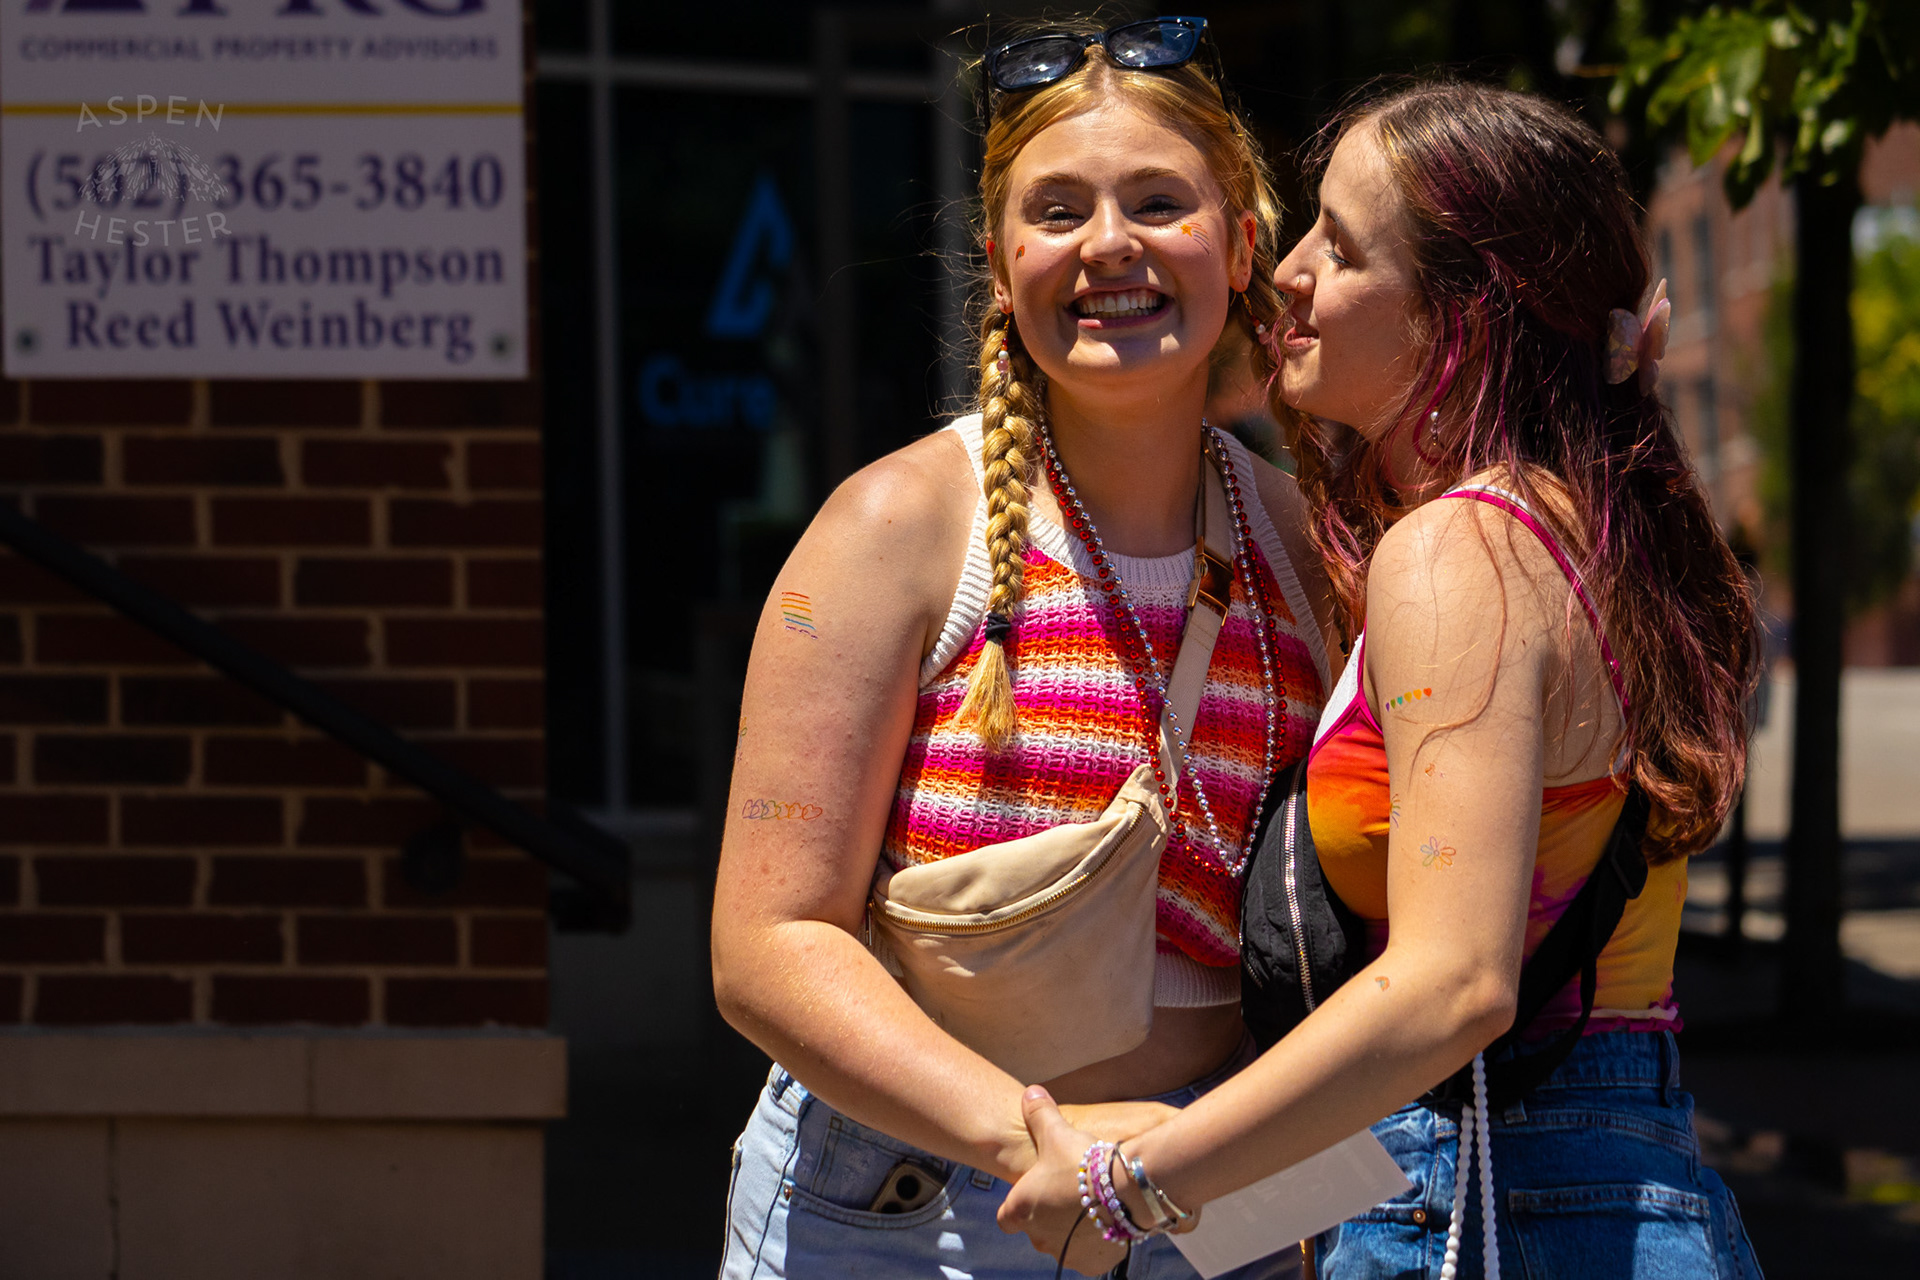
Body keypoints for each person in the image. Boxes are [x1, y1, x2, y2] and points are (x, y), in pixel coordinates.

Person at [1001, 81, 1766, 1280]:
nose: (1288, 274)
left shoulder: (1458, 552)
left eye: (1342, 247)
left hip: (1511, 1193)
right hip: (1580, 1173)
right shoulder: (1568, 529)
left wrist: (1133, 1183)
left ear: (1467, 313)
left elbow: (1453, 986)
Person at [709, 16, 1335, 1279]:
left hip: (1212, 1208)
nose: (1109, 245)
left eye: (1158, 202)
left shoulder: (1307, 547)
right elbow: (765, 946)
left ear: (1240, 246)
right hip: (906, 1213)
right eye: (1057, 211)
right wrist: (1049, 1147)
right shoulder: (896, 528)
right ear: (1001, 267)